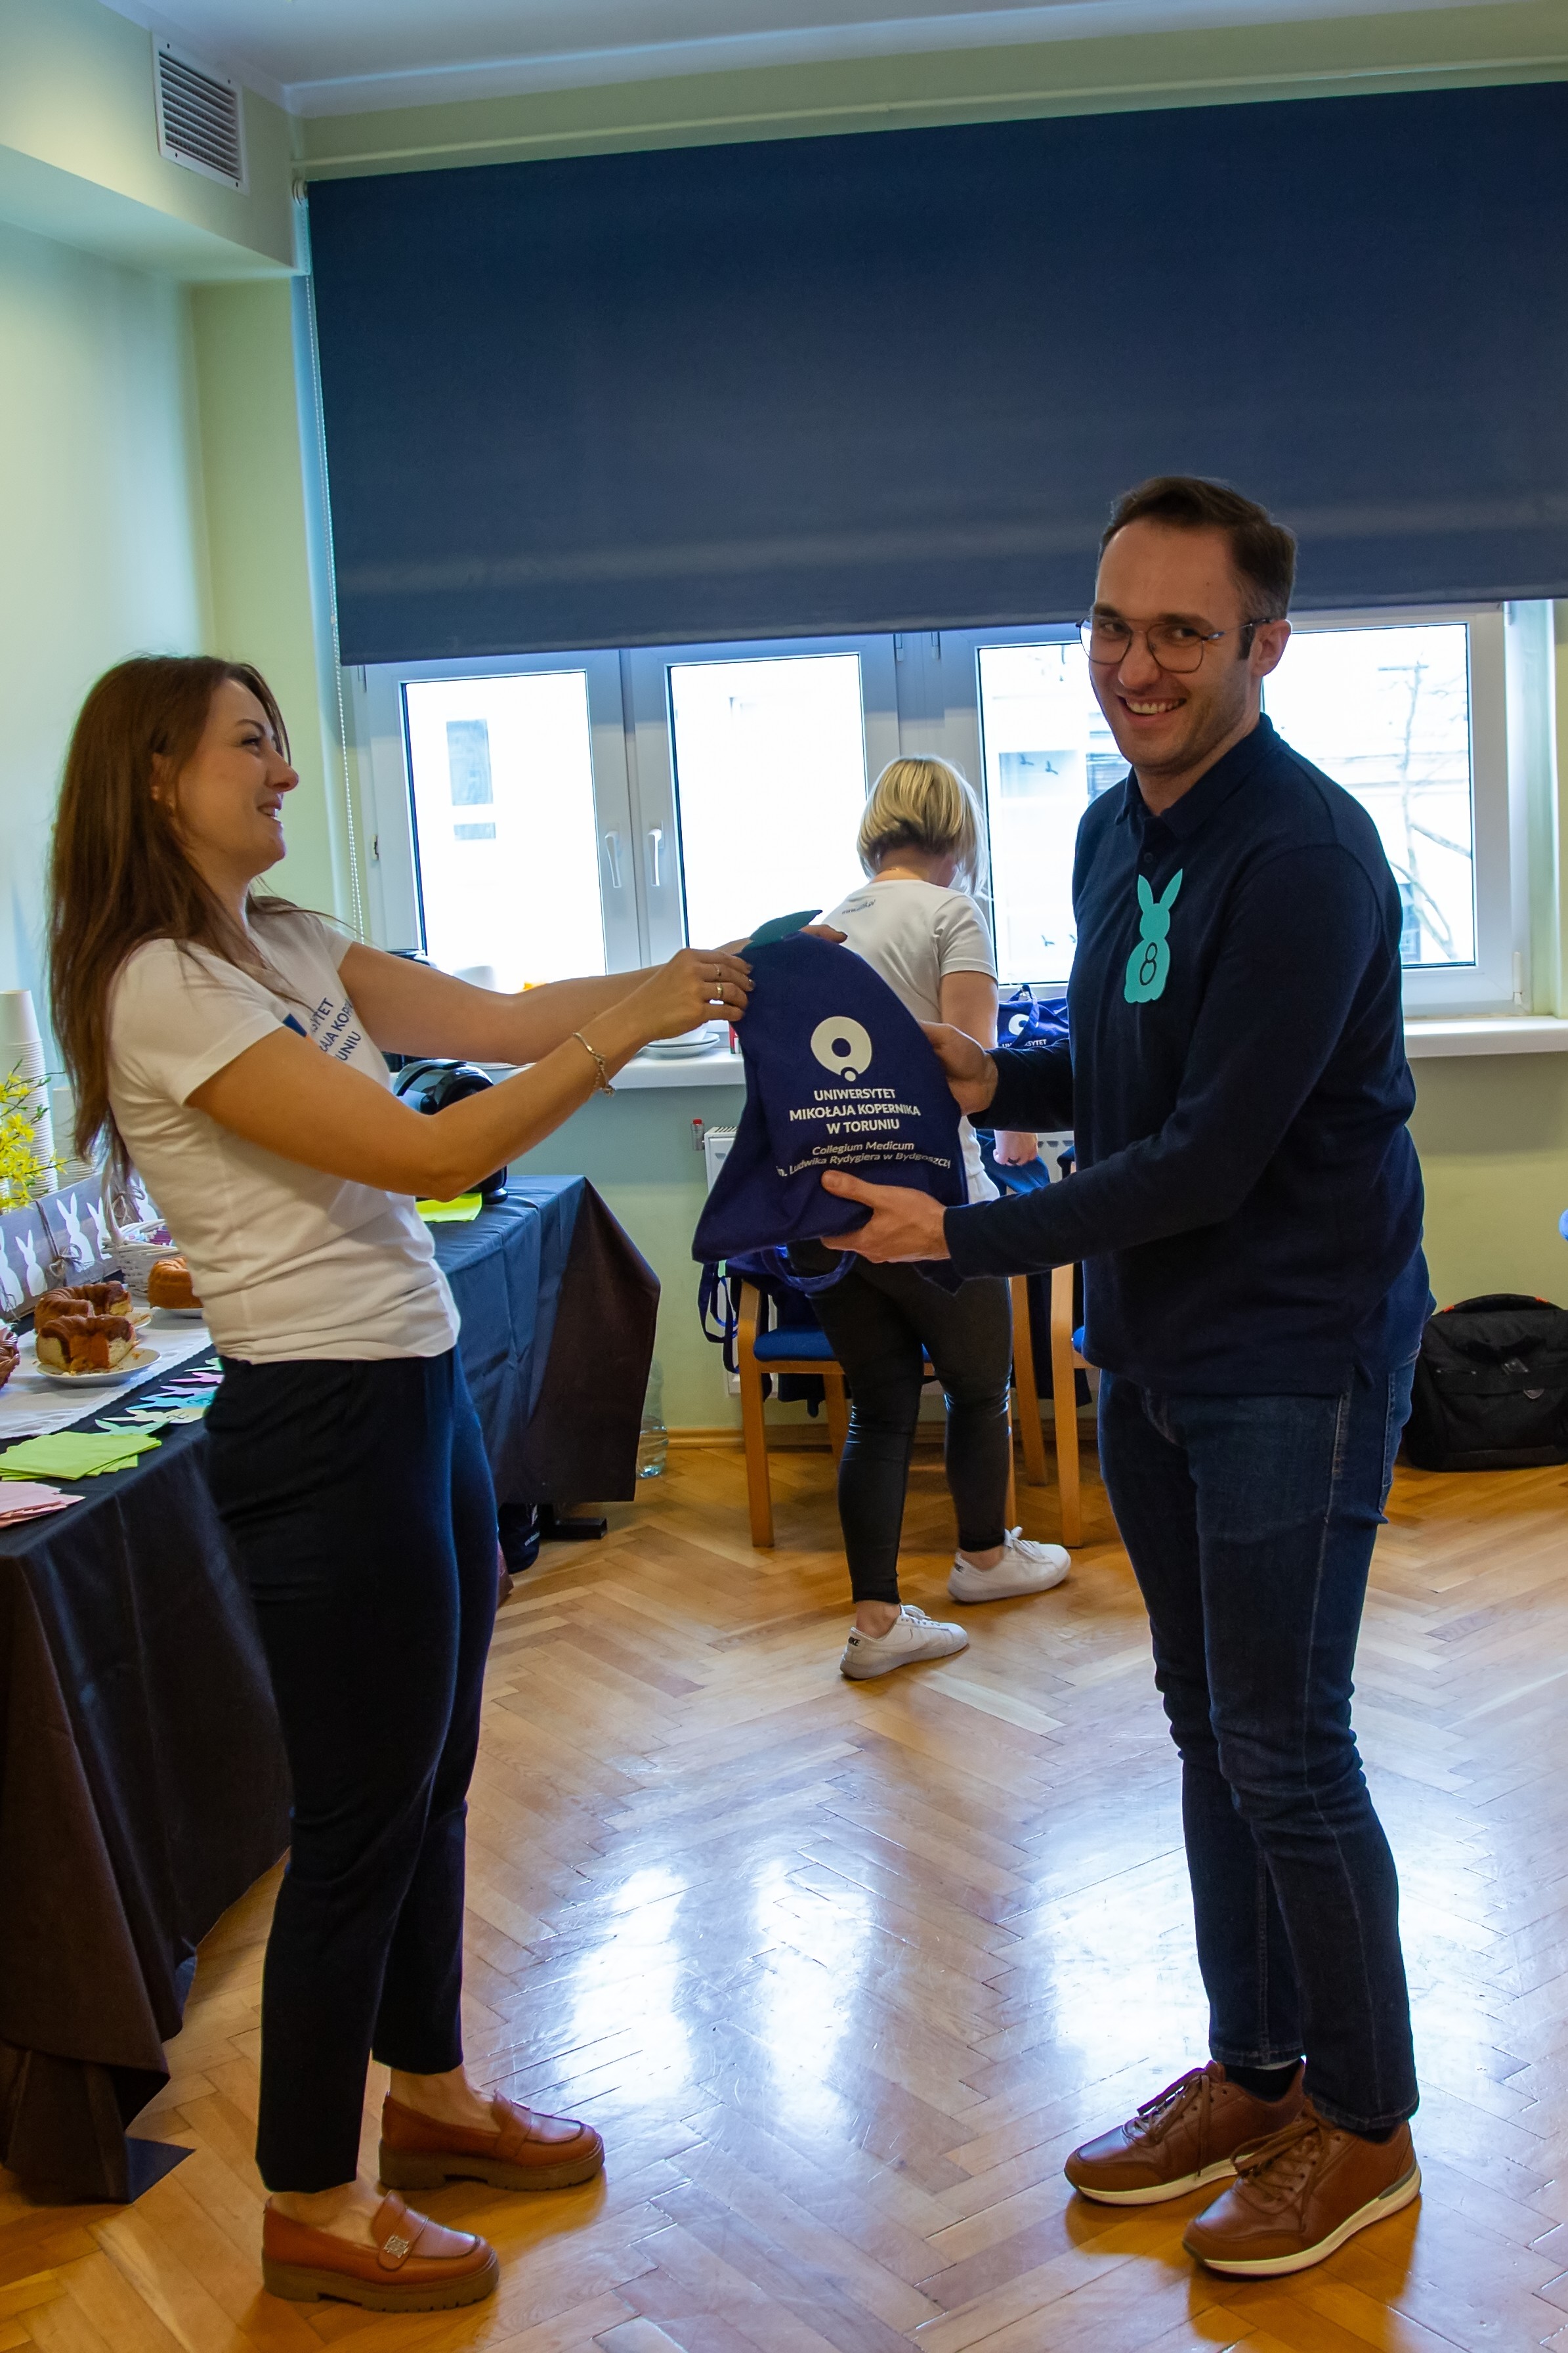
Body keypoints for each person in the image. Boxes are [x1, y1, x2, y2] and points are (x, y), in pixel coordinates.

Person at [47, 656, 752, 2314]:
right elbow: (438, 1149)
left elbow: (497, 1022)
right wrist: (630, 1031)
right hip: (320, 1419)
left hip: (410, 1390)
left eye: (283, 743)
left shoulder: (286, 943)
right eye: (251, 745)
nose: (283, 773)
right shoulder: (160, 985)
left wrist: (683, 978)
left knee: (432, 1774)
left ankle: (428, 2097)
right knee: (358, 1816)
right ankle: (312, 2195)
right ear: (155, 776)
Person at [817, 478, 1426, 2279]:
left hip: (1291, 1352)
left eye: (1178, 632)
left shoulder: (1304, 858)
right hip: (1154, 1343)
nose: (1132, 665)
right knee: (1204, 1725)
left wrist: (959, 1234)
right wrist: (997, 1083)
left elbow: (1213, 1156)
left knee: (1285, 1745)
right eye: (1108, 624)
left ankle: (1366, 2125)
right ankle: (1255, 2069)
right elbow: (1134, 1074)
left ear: (1263, 646)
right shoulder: (1109, 829)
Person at [806, 758, 1069, 1680]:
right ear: (960, 834)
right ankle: (984, 1561)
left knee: (877, 1412)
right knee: (977, 1389)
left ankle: (875, 1625)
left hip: (833, 1207)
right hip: (932, 1198)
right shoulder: (954, 914)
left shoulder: (820, 929)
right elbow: (975, 1067)